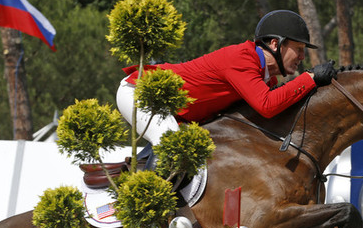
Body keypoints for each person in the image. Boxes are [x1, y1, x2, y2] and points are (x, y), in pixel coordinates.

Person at [116, 9, 336, 146]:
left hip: (175, 112)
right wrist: (310, 78)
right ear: (275, 44)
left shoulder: (266, 79)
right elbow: (267, 106)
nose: (302, 56)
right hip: (142, 93)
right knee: (172, 142)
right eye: (298, 48)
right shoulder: (241, 58)